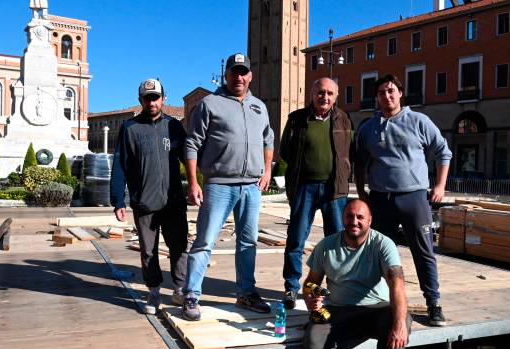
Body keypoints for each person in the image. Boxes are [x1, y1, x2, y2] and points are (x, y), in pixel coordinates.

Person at [181, 53, 275, 321]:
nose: (239, 77)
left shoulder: (259, 106)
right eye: (234, 72)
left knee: (248, 242)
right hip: (219, 185)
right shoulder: (209, 104)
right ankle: (191, 295)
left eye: (244, 72)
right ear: (227, 74)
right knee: (205, 241)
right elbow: (192, 143)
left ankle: (246, 293)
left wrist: (267, 169)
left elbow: (268, 139)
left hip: (251, 187)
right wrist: (193, 181)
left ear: (250, 75)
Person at [354, 74, 452, 327]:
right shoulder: (368, 128)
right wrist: (362, 191)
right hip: (380, 199)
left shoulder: (419, 121)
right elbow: (361, 162)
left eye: (391, 91)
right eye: (382, 92)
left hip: (414, 198)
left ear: (400, 93)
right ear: (376, 97)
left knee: (424, 251)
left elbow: (443, 151)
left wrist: (439, 186)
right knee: (375, 252)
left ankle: (433, 303)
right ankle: (372, 300)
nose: (387, 96)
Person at [302, 199, 410, 349]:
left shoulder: (382, 244)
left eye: (360, 217)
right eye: (350, 216)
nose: (354, 221)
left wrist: (398, 325)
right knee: (312, 343)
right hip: (338, 311)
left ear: (369, 220)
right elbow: (310, 283)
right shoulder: (326, 246)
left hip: (376, 309)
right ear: (343, 218)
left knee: (402, 320)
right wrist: (310, 300)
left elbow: (397, 285)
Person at [110, 78, 188, 315]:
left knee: (179, 246)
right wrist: (118, 199)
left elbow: (189, 158)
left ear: (164, 99)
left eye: (156, 97)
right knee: (149, 250)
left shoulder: (174, 127)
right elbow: (120, 165)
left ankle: (180, 289)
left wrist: (198, 183)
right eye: (147, 98)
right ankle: (153, 292)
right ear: (140, 100)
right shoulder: (129, 128)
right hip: (144, 201)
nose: (152, 102)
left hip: (173, 200)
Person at [279, 77, 353, 310]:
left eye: (330, 93)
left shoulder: (343, 119)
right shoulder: (297, 119)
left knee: (337, 241)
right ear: (312, 93)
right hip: (304, 187)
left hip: (335, 190)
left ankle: (335, 287)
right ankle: (291, 287)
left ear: (336, 96)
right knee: (296, 239)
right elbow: (285, 151)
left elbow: (349, 151)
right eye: (321, 92)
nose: (325, 97)